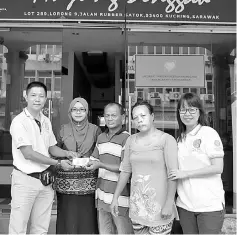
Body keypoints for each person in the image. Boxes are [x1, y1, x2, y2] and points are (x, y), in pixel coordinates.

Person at [9, 81, 74, 235]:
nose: (37, 99)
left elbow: (51, 147)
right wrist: (57, 163)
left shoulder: (45, 120)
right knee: (18, 228)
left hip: (45, 182)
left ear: (46, 99)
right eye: (33, 95)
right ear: (26, 96)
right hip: (25, 181)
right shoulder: (19, 122)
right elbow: (28, 153)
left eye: (41, 96)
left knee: (40, 229)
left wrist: (67, 153)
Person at [110, 100, 178, 235]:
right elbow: (125, 171)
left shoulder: (166, 140)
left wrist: (169, 203)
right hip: (138, 207)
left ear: (152, 116)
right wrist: (115, 198)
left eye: (143, 116)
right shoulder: (130, 140)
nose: (139, 120)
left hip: (160, 207)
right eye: (135, 118)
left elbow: (173, 174)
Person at [168, 92, 225, 234]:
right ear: (179, 113)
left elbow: (218, 167)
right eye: (183, 109)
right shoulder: (180, 139)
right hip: (185, 205)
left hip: (209, 206)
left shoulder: (208, 133)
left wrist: (185, 174)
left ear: (200, 112)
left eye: (192, 109)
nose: (187, 113)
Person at [51, 97, 101, 234]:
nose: (78, 112)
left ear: (87, 112)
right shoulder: (62, 129)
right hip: (66, 183)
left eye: (82, 109)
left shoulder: (95, 130)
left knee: (87, 217)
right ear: (69, 112)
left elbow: (100, 151)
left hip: (88, 184)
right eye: (74, 109)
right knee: (68, 217)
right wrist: (67, 153)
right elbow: (53, 149)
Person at [86, 102, 133, 234]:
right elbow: (94, 160)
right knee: (105, 232)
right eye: (107, 115)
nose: (110, 118)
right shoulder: (101, 137)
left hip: (120, 198)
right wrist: (80, 160)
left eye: (114, 115)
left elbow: (125, 168)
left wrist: (101, 164)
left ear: (123, 118)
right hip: (101, 195)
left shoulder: (127, 138)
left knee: (123, 232)